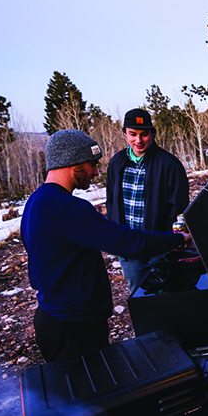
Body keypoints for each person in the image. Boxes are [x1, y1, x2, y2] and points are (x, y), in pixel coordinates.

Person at [21, 129, 189, 363]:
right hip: (74, 326)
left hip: (54, 318)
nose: (96, 172)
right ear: (74, 164)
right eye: (92, 164)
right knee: (93, 395)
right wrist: (177, 240)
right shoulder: (67, 208)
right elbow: (126, 241)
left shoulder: (36, 201)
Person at [105, 108, 190, 293]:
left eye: (144, 134)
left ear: (152, 133)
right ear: (125, 133)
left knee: (165, 294)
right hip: (127, 246)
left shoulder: (169, 164)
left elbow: (179, 208)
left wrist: (170, 239)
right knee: (138, 295)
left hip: (157, 247)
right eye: (133, 134)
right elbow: (111, 201)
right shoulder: (116, 163)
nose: (138, 140)